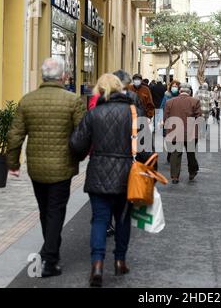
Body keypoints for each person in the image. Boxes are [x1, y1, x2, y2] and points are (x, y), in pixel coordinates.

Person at [6, 58, 86, 277]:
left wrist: (12, 163)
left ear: (43, 76)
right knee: (56, 210)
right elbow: (83, 134)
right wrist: (79, 156)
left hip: (36, 167)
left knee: (45, 210)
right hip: (62, 167)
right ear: (62, 76)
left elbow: (15, 135)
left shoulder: (27, 100)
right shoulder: (73, 101)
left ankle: (51, 251)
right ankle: (50, 259)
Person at [70, 74, 149, 287]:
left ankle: (97, 264)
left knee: (99, 220)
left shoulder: (93, 114)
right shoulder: (135, 113)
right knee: (123, 220)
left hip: (98, 174)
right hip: (127, 175)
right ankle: (120, 261)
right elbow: (145, 150)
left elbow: (77, 145)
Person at [164, 83, 202, 184]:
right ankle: (192, 172)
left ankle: (175, 177)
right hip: (190, 132)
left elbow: (166, 118)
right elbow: (199, 118)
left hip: (174, 131)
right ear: (190, 92)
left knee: (175, 154)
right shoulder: (195, 101)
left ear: (180, 91)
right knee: (191, 154)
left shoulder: (169, 102)